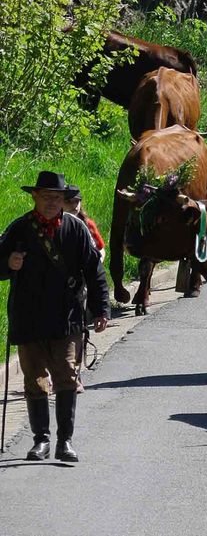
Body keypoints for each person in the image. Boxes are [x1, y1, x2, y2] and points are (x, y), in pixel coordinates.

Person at [0, 171, 108, 463]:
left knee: (66, 377)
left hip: (66, 317)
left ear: (64, 200)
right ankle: (41, 441)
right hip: (28, 317)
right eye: (46, 197)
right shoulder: (20, 229)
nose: (51, 203)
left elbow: (94, 272)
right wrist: (8, 264)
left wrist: (101, 309)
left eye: (57, 198)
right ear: (34, 197)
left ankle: (65, 442)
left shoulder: (76, 229)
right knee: (34, 381)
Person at [62, 184, 104, 394]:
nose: (74, 206)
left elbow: (100, 248)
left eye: (77, 201)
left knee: (79, 330)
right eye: (69, 202)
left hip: (83, 286)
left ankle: (75, 374)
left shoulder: (86, 224)